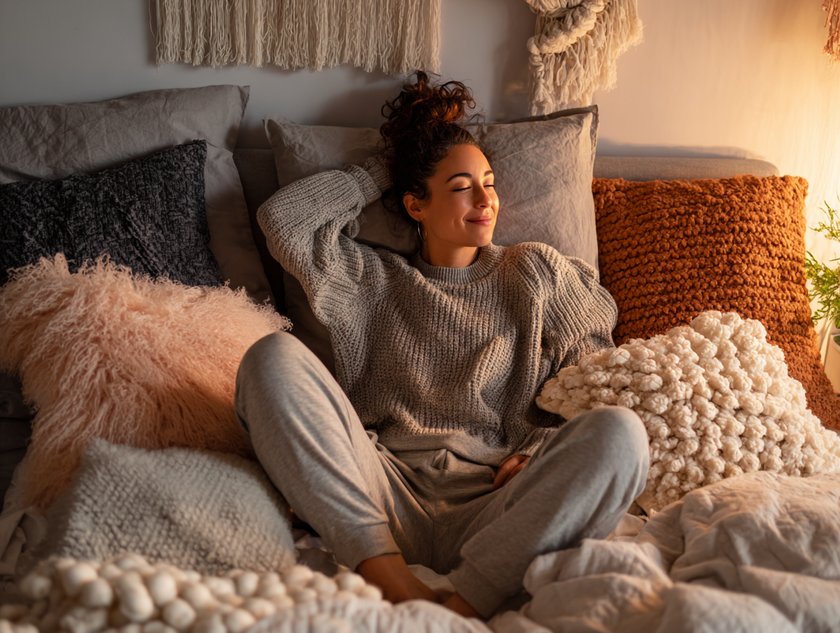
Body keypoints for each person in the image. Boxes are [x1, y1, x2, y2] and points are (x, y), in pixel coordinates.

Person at [235, 71, 649, 620]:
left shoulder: (535, 270)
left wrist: (532, 448)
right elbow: (283, 221)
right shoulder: (369, 278)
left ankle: (465, 601)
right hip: (384, 491)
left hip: (495, 507)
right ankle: (389, 577)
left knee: (623, 432)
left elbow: (591, 369)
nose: (485, 199)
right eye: (460, 187)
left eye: (490, 182)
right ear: (414, 205)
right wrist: (383, 169)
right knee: (270, 357)